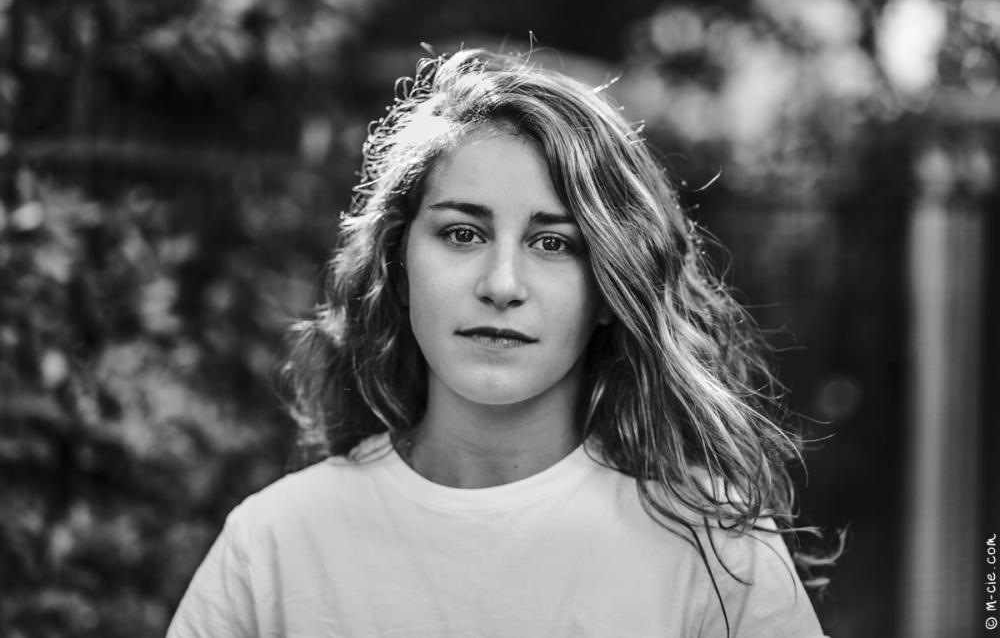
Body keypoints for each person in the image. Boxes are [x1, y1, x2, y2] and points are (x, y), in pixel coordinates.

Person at [167, 47, 830, 637]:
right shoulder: (275, 545)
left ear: (611, 288)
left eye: (553, 243)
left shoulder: (715, 548)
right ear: (399, 263)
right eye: (463, 234)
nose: (502, 285)